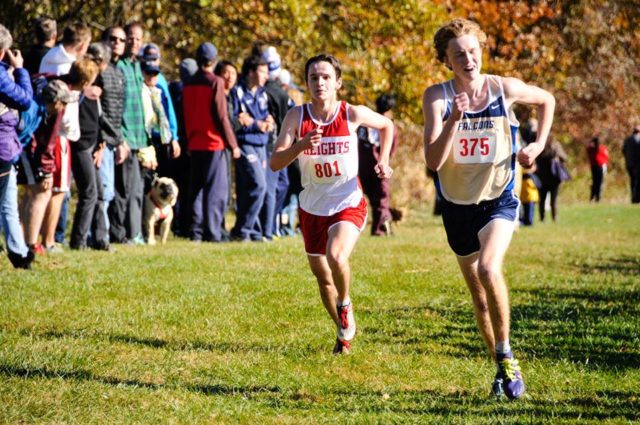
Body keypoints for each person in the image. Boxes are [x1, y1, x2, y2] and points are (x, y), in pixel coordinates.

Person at [422, 19, 555, 399]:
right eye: (458, 54)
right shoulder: (438, 97)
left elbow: (547, 100)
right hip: (457, 207)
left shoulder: (503, 88)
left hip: (499, 199)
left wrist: (537, 146)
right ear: (447, 61)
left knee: (488, 268)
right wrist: (453, 121)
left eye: (473, 51)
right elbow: (432, 160)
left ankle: (508, 354)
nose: (468, 59)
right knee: (479, 296)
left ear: (481, 51)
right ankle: (499, 363)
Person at [270, 54, 394, 354]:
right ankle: (343, 333)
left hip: (347, 200)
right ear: (307, 84)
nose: (320, 82)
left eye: (326, 77)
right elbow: (275, 162)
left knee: (336, 256)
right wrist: (300, 145)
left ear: (337, 82)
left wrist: (385, 160)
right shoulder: (296, 117)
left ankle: (346, 301)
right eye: (314, 77)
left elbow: (387, 126)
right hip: (312, 205)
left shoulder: (351, 113)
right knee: (323, 277)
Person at [182, 42, 240, 242]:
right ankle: (213, 232)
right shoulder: (215, 82)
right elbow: (221, 116)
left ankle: (195, 231)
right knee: (215, 190)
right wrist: (233, 144)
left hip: (194, 141)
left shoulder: (188, 83)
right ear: (214, 60)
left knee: (196, 190)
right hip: (213, 142)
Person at [110, 21, 148, 245]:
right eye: (130, 37)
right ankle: (118, 233)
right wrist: (119, 138)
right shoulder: (119, 66)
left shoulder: (137, 66)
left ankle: (134, 233)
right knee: (121, 190)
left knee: (135, 190)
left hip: (139, 137)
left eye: (137, 38)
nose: (134, 42)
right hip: (123, 137)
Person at [0, 25, 34, 267]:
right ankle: (18, 252)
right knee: (6, 200)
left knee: (9, 200)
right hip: (2, 147)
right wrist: (20, 69)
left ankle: (18, 251)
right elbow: (23, 99)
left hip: (6, 147)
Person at [229, 55, 274, 241]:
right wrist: (257, 124)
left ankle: (253, 232)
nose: (266, 76)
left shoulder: (262, 93)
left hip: (261, 144)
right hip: (245, 143)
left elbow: (261, 116)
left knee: (255, 189)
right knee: (259, 185)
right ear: (251, 72)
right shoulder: (237, 91)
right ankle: (242, 230)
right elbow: (240, 120)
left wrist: (269, 121)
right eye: (263, 71)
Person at [357, 93, 398, 236]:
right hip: (379, 166)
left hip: (361, 166)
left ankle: (376, 225)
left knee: (363, 197)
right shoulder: (388, 125)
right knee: (381, 198)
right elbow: (391, 149)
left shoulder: (365, 122)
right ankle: (379, 229)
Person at [535, 138, 568, 222]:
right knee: (553, 200)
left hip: (542, 177)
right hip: (553, 178)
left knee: (542, 200)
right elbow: (564, 157)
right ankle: (554, 217)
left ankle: (542, 218)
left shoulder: (538, 146)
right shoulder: (555, 145)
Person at [586, 137, 608, 202]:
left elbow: (587, 148)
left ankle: (593, 197)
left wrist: (590, 142)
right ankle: (598, 198)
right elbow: (606, 156)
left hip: (594, 167)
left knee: (595, 182)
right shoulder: (602, 148)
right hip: (600, 166)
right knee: (599, 182)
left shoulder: (591, 149)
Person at [622, 125, 640, 203]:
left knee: (632, 181)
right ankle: (636, 198)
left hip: (629, 164)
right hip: (637, 165)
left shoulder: (627, 140)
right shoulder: (638, 140)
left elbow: (623, 150)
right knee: (637, 181)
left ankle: (634, 198)